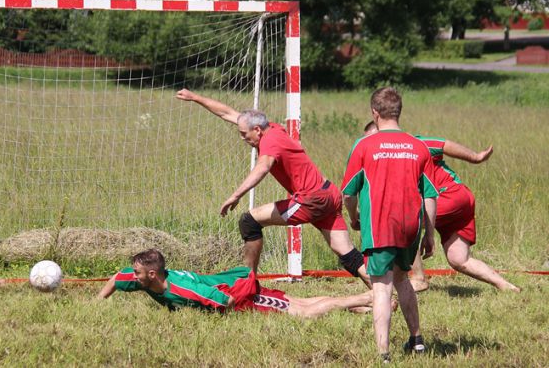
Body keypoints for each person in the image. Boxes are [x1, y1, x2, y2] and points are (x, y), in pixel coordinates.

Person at [175, 89, 369, 286]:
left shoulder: (270, 141)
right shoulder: (272, 129)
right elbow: (228, 113)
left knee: (249, 221)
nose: (242, 138)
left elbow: (262, 167)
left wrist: (236, 195)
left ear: (257, 130)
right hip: (328, 194)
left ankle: (247, 286)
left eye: (244, 134)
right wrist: (196, 98)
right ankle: (380, 292)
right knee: (347, 253)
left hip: (311, 200)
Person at [341, 87, 438, 363]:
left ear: (375, 113)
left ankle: (383, 355)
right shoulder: (419, 146)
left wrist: (354, 217)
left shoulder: (364, 145)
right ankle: (417, 341)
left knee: (381, 287)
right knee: (402, 278)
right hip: (410, 227)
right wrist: (429, 235)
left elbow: (347, 193)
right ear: (399, 111)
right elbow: (430, 195)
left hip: (380, 226)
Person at [364, 121, 519, 292]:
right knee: (459, 259)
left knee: (405, 222)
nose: (371, 145)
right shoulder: (379, 163)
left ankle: (418, 278)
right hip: (458, 203)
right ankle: (506, 286)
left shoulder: (414, 144)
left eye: (374, 138)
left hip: (450, 195)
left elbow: (443, 145)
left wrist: (475, 157)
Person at [97, 248, 376, 317]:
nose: (132, 277)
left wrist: (213, 317)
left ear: (153, 275)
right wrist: (95, 304)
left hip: (239, 294)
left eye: (137, 274)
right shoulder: (146, 281)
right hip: (233, 287)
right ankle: (361, 306)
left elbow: (226, 302)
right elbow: (115, 279)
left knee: (299, 310)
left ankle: (365, 299)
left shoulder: (184, 290)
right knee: (295, 303)